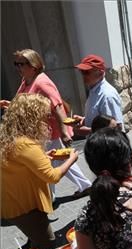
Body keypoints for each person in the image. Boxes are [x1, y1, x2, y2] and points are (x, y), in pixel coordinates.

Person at [0, 94, 79, 249]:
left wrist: (44, 158)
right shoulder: (26, 145)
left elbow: (21, 164)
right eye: (44, 116)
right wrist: (71, 159)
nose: (47, 121)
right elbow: (52, 176)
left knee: (35, 239)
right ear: (32, 117)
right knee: (48, 243)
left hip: (13, 201)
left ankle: (30, 248)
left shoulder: (12, 137)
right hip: (25, 207)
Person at [12, 49, 91, 198]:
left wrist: (64, 132)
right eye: (16, 64)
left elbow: (58, 106)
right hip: (39, 132)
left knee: (49, 162)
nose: (17, 67)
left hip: (49, 132)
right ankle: (83, 186)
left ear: (33, 66)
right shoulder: (26, 80)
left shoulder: (42, 82)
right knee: (57, 161)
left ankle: (50, 197)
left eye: (20, 64)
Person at [73, 54, 124, 135]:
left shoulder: (107, 95)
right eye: (82, 72)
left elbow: (116, 127)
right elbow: (101, 120)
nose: (83, 76)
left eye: (86, 72)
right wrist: (84, 120)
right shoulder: (94, 91)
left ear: (100, 72)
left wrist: (88, 131)